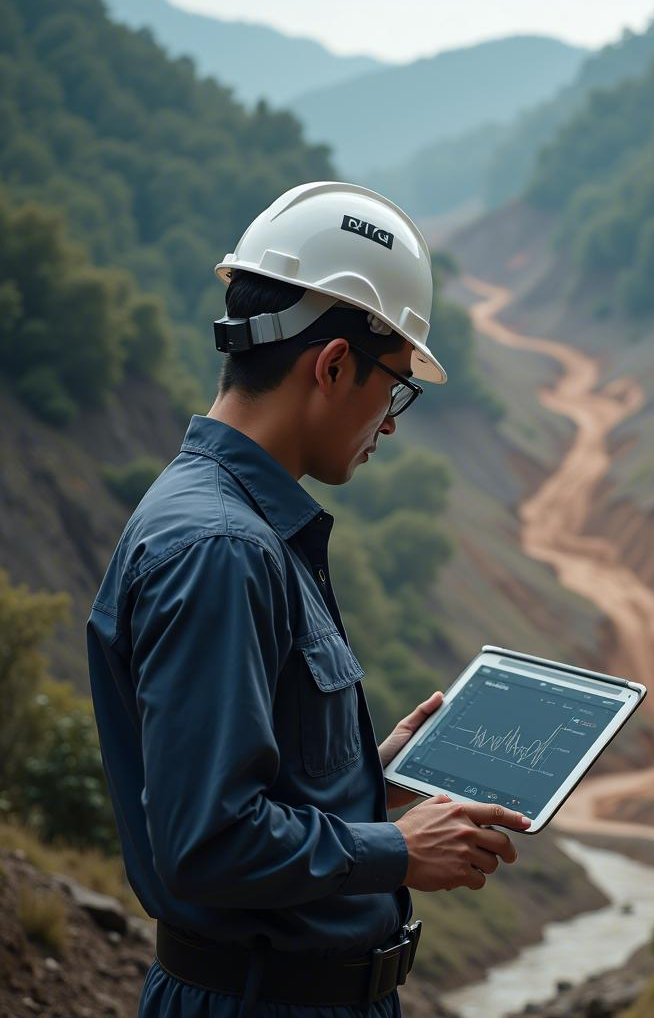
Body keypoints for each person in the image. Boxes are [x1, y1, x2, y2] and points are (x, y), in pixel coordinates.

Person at [86, 182, 531, 1018]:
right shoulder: (220, 549)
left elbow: (249, 782)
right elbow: (207, 843)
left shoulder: (238, 525)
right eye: (395, 387)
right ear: (332, 366)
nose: (390, 423)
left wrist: (367, 775)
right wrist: (394, 850)